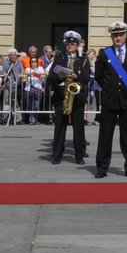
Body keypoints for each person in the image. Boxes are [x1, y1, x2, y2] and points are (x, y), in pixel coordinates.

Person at [91, 20, 127, 178]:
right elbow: (99, 76)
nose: (118, 38)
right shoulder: (104, 53)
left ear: (126, 36)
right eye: (115, 35)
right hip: (110, 100)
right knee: (105, 135)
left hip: (126, 100)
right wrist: (109, 88)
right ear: (111, 37)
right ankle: (102, 166)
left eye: (120, 35)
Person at [44, 30, 91, 165]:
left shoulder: (83, 59)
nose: (69, 46)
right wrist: (59, 77)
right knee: (59, 126)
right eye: (68, 44)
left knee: (78, 126)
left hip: (77, 95)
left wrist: (76, 76)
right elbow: (52, 75)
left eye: (72, 44)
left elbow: (87, 77)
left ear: (77, 45)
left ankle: (79, 154)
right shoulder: (60, 57)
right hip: (61, 94)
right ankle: (57, 153)